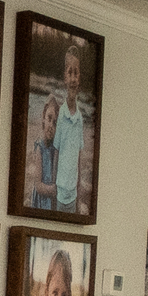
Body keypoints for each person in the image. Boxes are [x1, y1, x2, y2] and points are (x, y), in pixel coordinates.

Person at [50, 46, 91, 214]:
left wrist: (80, 185)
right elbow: (57, 150)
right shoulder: (61, 116)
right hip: (60, 191)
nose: (73, 78)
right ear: (64, 78)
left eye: (76, 73)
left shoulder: (80, 118)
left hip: (73, 192)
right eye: (70, 73)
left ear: (79, 77)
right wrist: (54, 184)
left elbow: (79, 154)